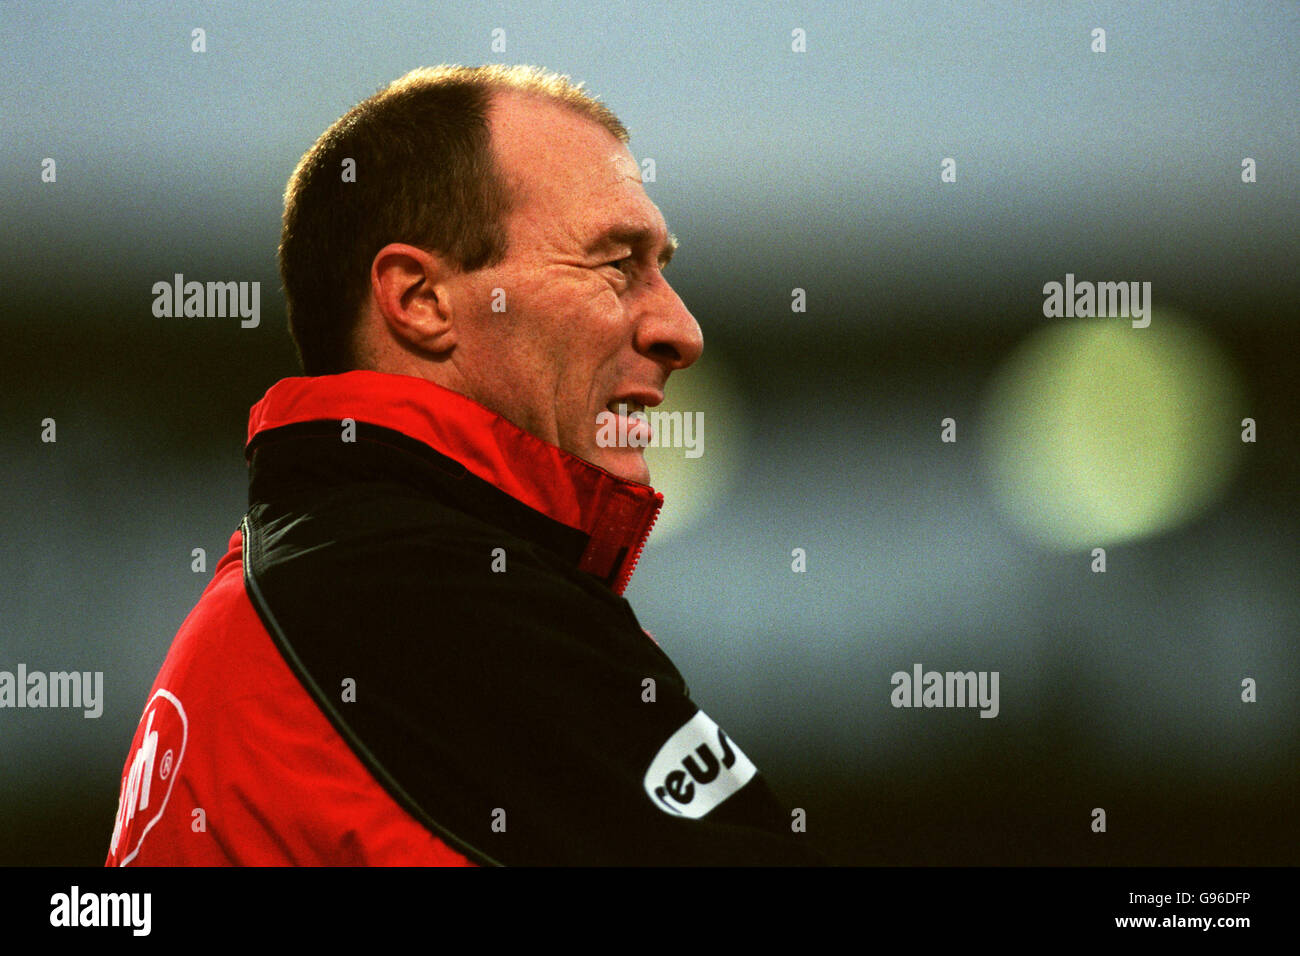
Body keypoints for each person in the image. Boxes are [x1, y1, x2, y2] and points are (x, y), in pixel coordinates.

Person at [106, 65, 821, 866]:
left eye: (663, 268)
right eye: (617, 264)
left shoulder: (300, 582)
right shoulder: (421, 599)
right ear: (419, 300)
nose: (681, 330)